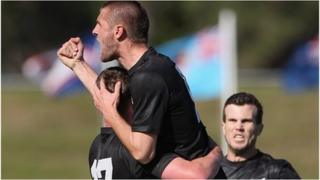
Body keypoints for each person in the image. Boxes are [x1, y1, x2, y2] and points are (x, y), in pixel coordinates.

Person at [57, 1, 224, 178]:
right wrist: (77, 64)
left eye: (100, 24)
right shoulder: (151, 67)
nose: (94, 31)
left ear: (118, 31)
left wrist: (109, 111)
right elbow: (109, 95)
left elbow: (142, 152)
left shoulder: (148, 77)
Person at [89, 67, 221, 179]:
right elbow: (198, 176)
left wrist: (78, 64)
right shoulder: (136, 149)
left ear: (99, 102)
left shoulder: (96, 146)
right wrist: (215, 152)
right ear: (134, 100)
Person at [221, 92, 301, 179]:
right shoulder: (210, 172)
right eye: (233, 120)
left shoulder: (277, 172)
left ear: (259, 129)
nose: (239, 127)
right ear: (223, 128)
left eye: (246, 121)